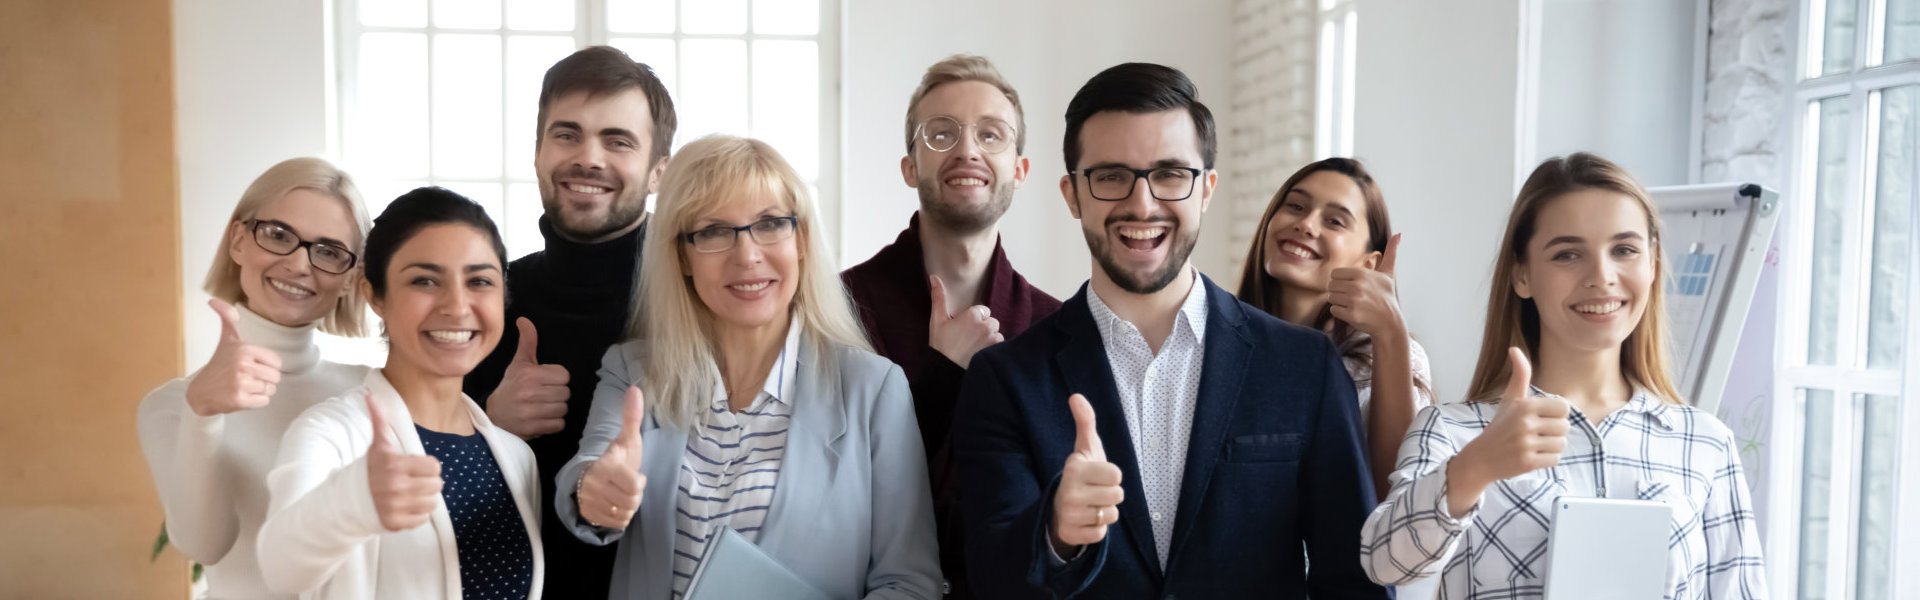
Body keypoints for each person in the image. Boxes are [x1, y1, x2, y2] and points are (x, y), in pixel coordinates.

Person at [950, 63, 1387, 599]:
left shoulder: (1305, 366)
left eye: (1171, 175)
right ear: (1072, 194)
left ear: (1205, 189)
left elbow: (1355, 581)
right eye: (1111, 176)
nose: (1142, 204)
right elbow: (989, 582)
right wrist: (1055, 534)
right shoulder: (1005, 379)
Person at [1359, 153, 1767, 597]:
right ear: (1521, 275)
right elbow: (1385, 562)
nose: (1601, 276)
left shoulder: (1705, 442)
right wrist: (1474, 468)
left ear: (1652, 263)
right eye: (1568, 254)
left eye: (1625, 250)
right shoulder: (1454, 432)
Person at [555, 135, 941, 599]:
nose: (748, 255)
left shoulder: (873, 389)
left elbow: (909, 583)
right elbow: (590, 472)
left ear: (800, 239)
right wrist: (595, 492)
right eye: (714, 231)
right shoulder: (632, 369)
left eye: (770, 224)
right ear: (681, 256)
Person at [839, 54, 1061, 598]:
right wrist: (941, 375)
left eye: (991, 134)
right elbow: (830, 485)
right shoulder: (838, 307)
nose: (967, 150)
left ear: (1019, 169)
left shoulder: (1055, 326)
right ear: (910, 165)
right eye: (941, 134)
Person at [462, 45, 677, 599]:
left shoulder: (699, 298)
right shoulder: (480, 301)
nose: (589, 157)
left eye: (618, 140)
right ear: (537, 152)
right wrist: (490, 425)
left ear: (658, 172)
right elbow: (416, 478)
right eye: (567, 134)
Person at [259, 187, 543, 599]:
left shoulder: (516, 458)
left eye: (480, 280)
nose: (458, 306)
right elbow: (278, 568)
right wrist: (354, 500)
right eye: (424, 280)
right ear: (373, 293)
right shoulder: (332, 434)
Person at [137, 157, 372, 599]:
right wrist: (202, 414)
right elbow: (204, 545)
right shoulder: (172, 406)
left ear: (350, 278)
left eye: (328, 251)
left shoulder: (372, 391)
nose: (301, 265)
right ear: (239, 240)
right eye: (279, 235)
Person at [1234, 157, 1433, 495]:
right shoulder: (1219, 335)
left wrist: (1391, 334)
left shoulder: (1379, 359)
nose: (1306, 225)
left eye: (1335, 221)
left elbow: (1397, 498)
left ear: (1369, 264)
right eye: (1296, 206)